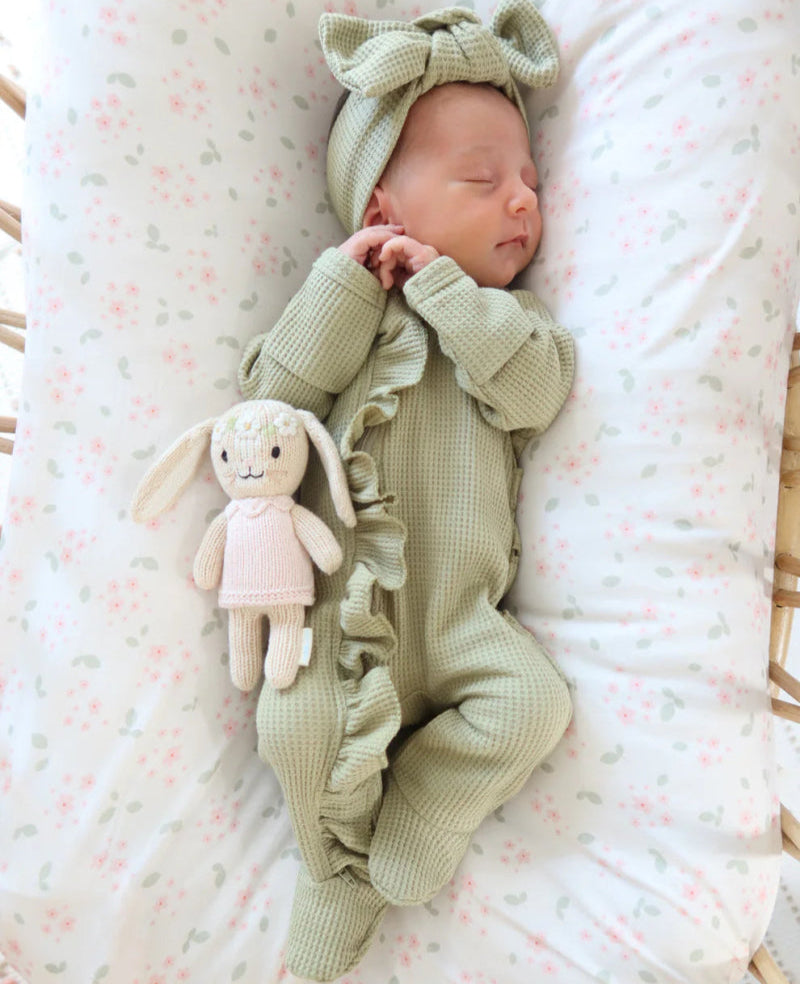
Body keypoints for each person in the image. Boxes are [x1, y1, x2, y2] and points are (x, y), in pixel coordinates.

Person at [238, 3, 575, 979]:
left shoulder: (511, 321)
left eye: (529, 182)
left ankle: (422, 805)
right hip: (345, 613)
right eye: (481, 180)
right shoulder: (346, 312)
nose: (520, 201)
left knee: (529, 708)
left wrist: (445, 291)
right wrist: (345, 285)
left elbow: (533, 394)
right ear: (381, 209)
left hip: (464, 621)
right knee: (290, 726)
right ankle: (332, 870)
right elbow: (271, 404)